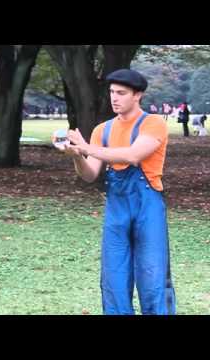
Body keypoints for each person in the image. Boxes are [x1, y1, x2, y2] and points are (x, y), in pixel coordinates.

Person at [56, 69, 177, 315]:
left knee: (152, 278)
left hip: (148, 209)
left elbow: (133, 156)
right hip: (116, 211)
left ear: (138, 95)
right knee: (114, 280)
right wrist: (78, 156)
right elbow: (90, 174)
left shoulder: (154, 124)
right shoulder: (103, 130)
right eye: (112, 92)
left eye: (121, 93)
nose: (114, 98)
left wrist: (86, 146)